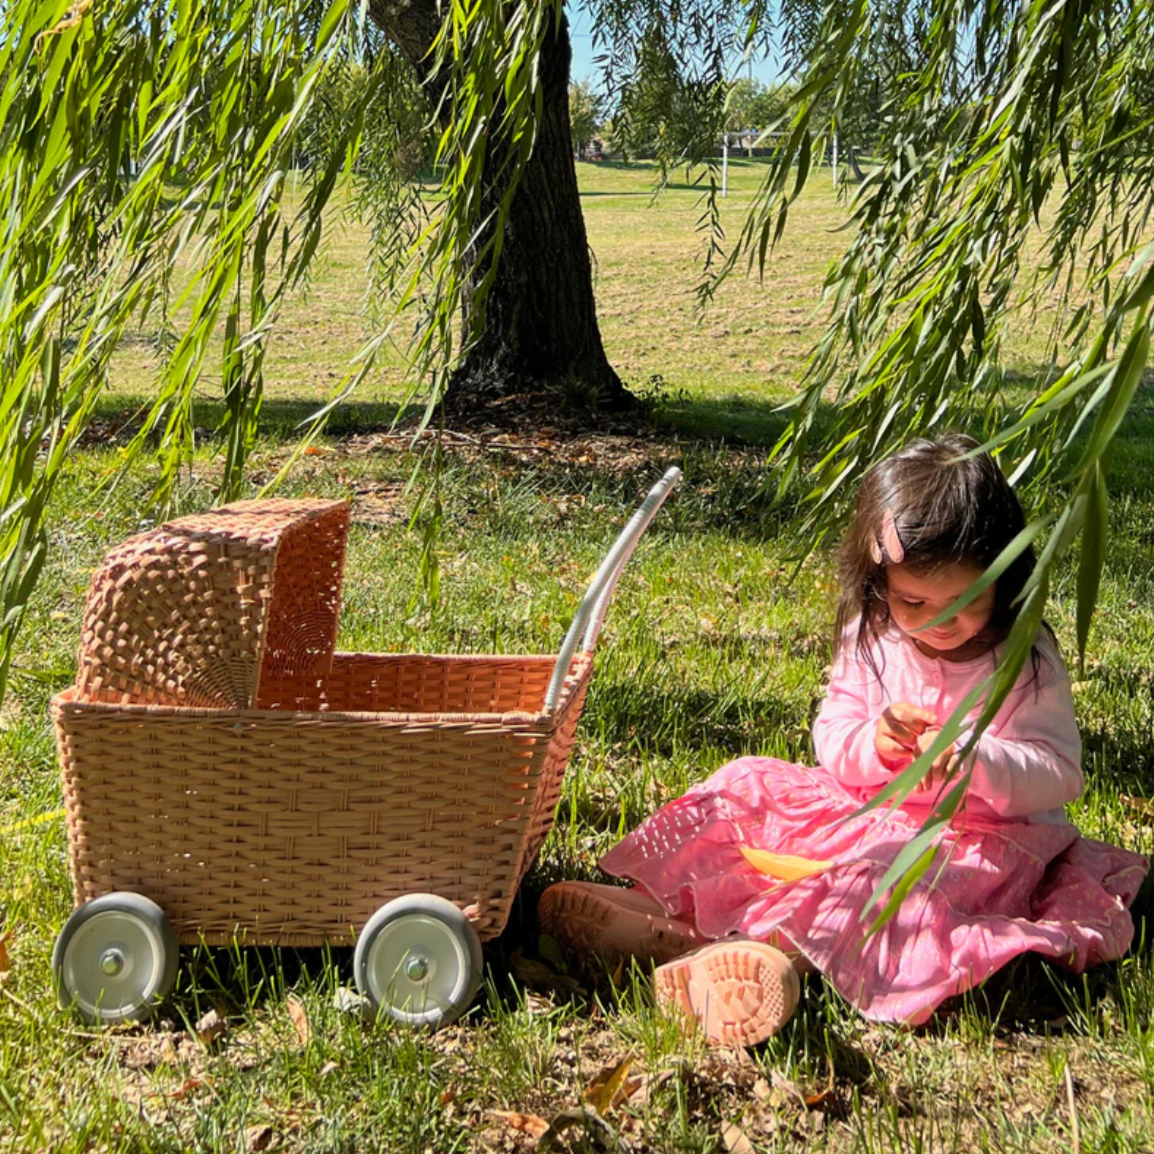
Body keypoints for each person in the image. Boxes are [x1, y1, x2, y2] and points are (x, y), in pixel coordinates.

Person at [538, 434, 1148, 1046]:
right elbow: (834, 734)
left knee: (872, 879)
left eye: (963, 601)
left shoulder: (1024, 653)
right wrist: (874, 745)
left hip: (975, 839)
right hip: (867, 807)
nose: (937, 621)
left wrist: (976, 760)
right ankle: (663, 919)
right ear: (878, 579)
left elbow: (1059, 770)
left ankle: (761, 958)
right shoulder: (873, 632)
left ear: (1004, 579)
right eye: (914, 600)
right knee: (746, 785)